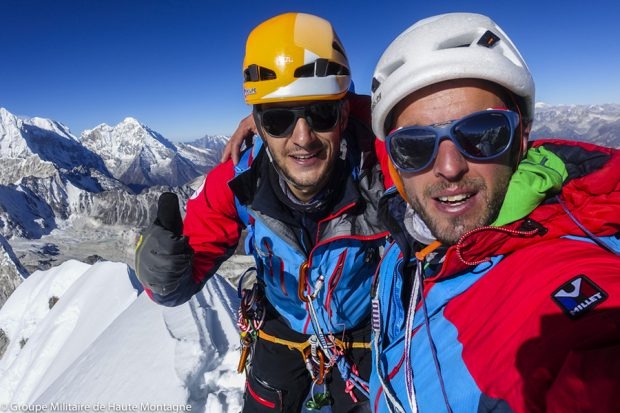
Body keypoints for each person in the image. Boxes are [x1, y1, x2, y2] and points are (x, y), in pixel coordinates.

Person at [367, 12, 620, 413]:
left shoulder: (570, 281)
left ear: (521, 138)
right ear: (395, 162)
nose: (449, 167)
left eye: (482, 134)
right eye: (414, 146)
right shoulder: (411, 245)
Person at [135, 12, 388, 413]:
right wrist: (163, 275)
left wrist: (370, 111)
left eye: (320, 113)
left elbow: (474, 170)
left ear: (343, 114)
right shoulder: (238, 180)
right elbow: (187, 267)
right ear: (257, 123)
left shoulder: (385, 163)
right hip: (282, 323)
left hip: (364, 329)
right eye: (279, 118)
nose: (302, 138)